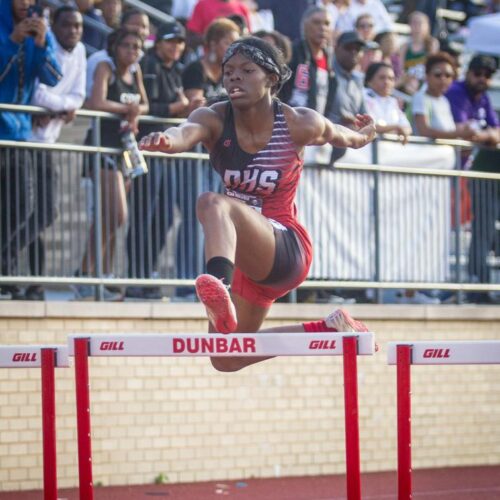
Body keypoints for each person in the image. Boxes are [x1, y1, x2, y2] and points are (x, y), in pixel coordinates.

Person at [139, 37, 376, 371]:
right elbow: (185, 131)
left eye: (246, 70)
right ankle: (329, 329)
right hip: (246, 260)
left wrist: (366, 133)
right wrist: (168, 140)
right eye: (228, 71)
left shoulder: (298, 122)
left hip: (285, 246)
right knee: (225, 356)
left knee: (213, 203)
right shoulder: (213, 118)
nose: (234, 77)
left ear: (272, 78)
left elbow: (344, 136)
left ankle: (217, 285)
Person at [76, 28, 149, 300]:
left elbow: (145, 104)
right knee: (116, 215)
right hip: (102, 146)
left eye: (136, 46)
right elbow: (96, 102)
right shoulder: (106, 67)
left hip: (124, 150)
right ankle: (85, 272)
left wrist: (135, 111)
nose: (132, 51)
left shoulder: (136, 71)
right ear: (115, 46)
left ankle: (97, 275)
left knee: (110, 219)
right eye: (127, 45)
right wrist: (126, 109)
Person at [0, 0, 62, 299]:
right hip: (4, 131)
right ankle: (6, 276)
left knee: (20, 207)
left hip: (19, 133)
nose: (25, 4)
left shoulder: (40, 26)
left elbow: (52, 77)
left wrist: (41, 43)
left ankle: (5, 271)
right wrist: (12, 41)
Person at [126, 20, 190, 300]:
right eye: (170, 41)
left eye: (179, 42)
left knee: (164, 216)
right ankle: (136, 276)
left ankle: (147, 272)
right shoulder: (148, 64)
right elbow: (147, 107)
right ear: (159, 43)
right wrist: (175, 108)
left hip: (166, 153)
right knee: (143, 214)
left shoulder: (178, 70)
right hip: (145, 150)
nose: (175, 47)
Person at [26, 5, 86, 300]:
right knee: (26, 211)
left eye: (78, 26)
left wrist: (56, 108)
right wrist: (61, 108)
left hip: (48, 142)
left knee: (44, 213)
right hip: (24, 139)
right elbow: (35, 92)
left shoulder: (81, 52)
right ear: (54, 26)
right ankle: (24, 280)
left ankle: (31, 280)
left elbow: (79, 96)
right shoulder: (43, 43)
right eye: (67, 25)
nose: (73, 31)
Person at [446, 55, 500, 302]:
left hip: (476, 172)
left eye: (487, 75)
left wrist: (483, 134)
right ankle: (476, 283)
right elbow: (462, 130)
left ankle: (479, 281)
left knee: (486, 225)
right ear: (468, 72)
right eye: (478, 73)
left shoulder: (483, 97)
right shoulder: (456, 91)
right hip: (453, 171)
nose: (482, 79)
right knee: (482, 227)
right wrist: (484, 134)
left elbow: (494, 131)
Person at [281, 5, 336, 116]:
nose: (322, 28)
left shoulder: (330, 58)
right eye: (316, 22)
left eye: (327, 24)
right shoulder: (292, 52)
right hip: (290, 122)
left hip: (317, 125)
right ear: (305, 26)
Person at [411, 52, 475, 141]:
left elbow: (448, 130)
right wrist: (459, 134)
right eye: (438, 75)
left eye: (448, 75)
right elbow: (424, 131)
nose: (443, 79)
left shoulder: (444, 101)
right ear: (427, 76)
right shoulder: (420, 97)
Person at [363, 62, 411, 142]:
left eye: (391, 79)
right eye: (382, 78)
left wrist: (403, 130)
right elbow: (368, 126)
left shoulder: (392, 101)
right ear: (369, 80)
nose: (387, 82)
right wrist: (396, 128)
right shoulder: (363, 96)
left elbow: (407, 127)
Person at [399, 11, 439, 95]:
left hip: (425, 83)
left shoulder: (432, 44)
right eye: (414, 23)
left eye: (420, 23)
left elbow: (433, 67)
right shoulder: (404, 47)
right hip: (408, 83)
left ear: (427, 26)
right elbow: (401, 70)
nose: (417, 26)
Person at [186, 0, 251, 50]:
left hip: (236, 61)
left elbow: (249, 37)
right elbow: (190, 38)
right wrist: (214, 39)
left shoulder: (242, 7)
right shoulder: (203, 5)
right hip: (210, 62)